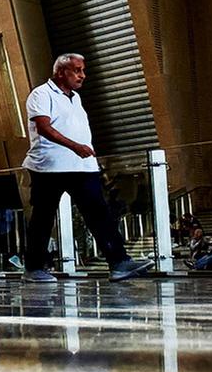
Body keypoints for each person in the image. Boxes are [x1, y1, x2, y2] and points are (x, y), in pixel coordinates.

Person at [23, 54, 153, 282]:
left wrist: (87, 155)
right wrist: (75, 146)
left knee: (99, 213)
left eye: (83, 70)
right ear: (60, 72)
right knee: (43, 217)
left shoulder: (76, 98)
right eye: (77, 70)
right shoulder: (41, 94)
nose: (82, 75)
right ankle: (34, 269)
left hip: (81, 166)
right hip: (49, 168)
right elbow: (43, 128)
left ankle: (119, 262)